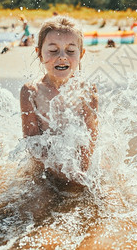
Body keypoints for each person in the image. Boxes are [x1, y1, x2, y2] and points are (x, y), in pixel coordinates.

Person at [20, 16, 98, 187]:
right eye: (53, 50)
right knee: (35, 206)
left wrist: (82, 171)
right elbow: (32, 142)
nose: (62, 57)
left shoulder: (87, 91)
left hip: (78, 168)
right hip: (44, 170)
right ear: (39, 54)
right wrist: (60, 170)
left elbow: (91, 139)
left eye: (71, 51)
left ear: (81, 54)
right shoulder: (31, 91)